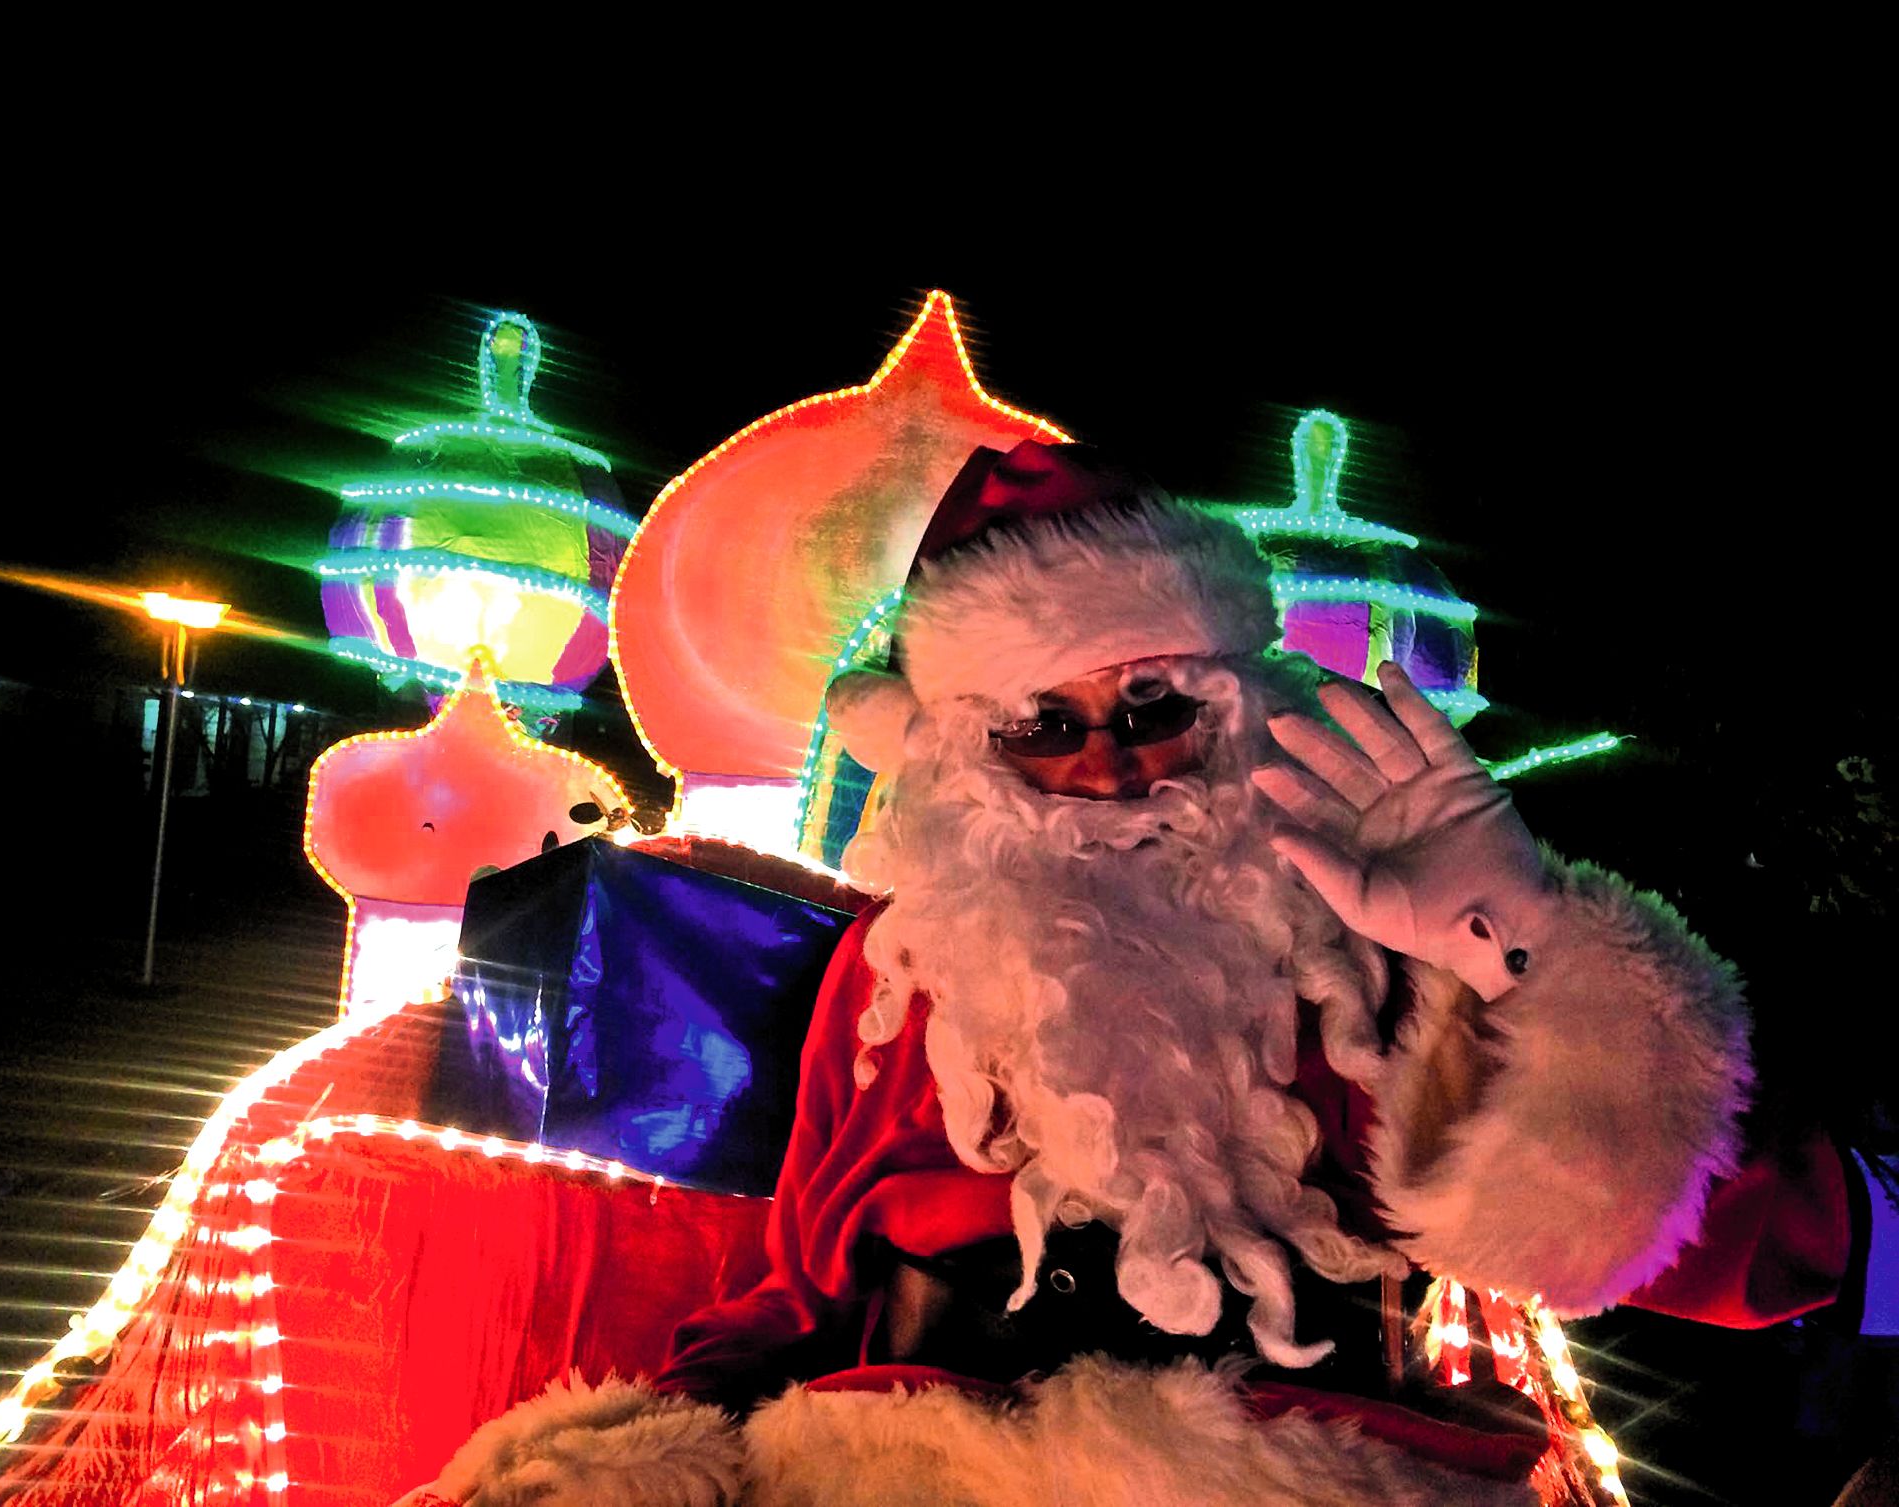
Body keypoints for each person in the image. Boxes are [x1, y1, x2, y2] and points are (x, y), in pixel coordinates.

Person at [402, 443, 1851, 1506]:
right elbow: (803, 1291)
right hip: (906, 1468)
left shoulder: (1376, 947)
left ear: (1238, 703)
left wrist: (1519, 946)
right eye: (1042, 724)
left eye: (1155, 706)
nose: (1105, 768)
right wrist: (633, 1451)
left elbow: (1739, 1248)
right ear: (965, 743)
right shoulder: (897, 968)